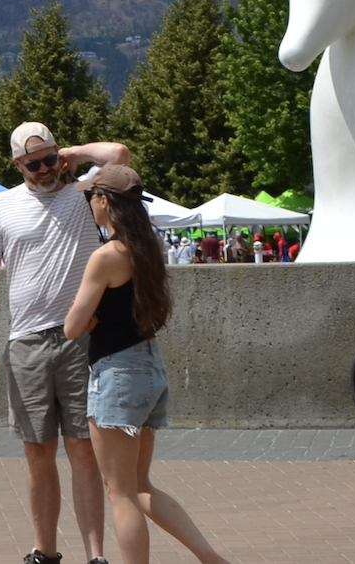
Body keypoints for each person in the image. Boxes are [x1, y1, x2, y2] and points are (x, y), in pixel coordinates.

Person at [0, 124, 129, 564]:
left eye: (50, 159)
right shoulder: (1, 205)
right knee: (37, 451)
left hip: (82, 337)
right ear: (17, 165)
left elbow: (119, 154)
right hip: (27, 341)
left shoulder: (82, 192)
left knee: (83, 449)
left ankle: (95, 555)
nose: (44, 169)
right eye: (33, 163)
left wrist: (74, 152)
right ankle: (45, 551)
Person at [61, 166, 230, 564]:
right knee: (140, 486)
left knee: (120, 493)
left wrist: (86, 318)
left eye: (91, 197)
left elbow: (71, 328)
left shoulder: (106, 256)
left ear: (105, 201)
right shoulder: (148, 250)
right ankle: (210, 558)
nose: (90, 204)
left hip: (117, 374)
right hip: (149, 367)